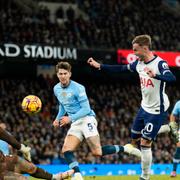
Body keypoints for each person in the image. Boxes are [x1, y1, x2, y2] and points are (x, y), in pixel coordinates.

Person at [87, 34, 176, 180]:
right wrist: (100, 66)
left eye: (135, 50)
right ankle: (167, 128)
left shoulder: (159, 64)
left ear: (145, 48)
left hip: (157, 110)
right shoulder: (138, 63)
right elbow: (121, 68)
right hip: (144, 108)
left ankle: (145, 176)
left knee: (145, 143)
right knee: (134, 138)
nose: (133, 53)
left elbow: (172, 78)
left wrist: (156, 75)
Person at [52, 61, 140, 180]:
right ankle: (77, 175)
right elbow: (62, 105)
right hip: (75, 122)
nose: (62, 76)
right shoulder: (56, 88)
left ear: (70, 74)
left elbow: (86, 109)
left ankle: (126, 148)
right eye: (60, 73)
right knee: (66, 150)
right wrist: (58, 119)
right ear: (57, 74)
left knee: (97, 152)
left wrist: (70, 118)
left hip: (87, 118)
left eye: (65, 73)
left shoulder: (78, 88)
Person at [0, 124, 74, 179]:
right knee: (22, 179)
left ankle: (55, 177)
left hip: (3, 160)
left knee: (30, 167)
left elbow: (2, 133)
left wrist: (22, 148)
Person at [169, 100, 180, 177]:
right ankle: (174, 170)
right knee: (179, 147)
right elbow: (173, 115)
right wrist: (173, 126)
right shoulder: (179, 103)